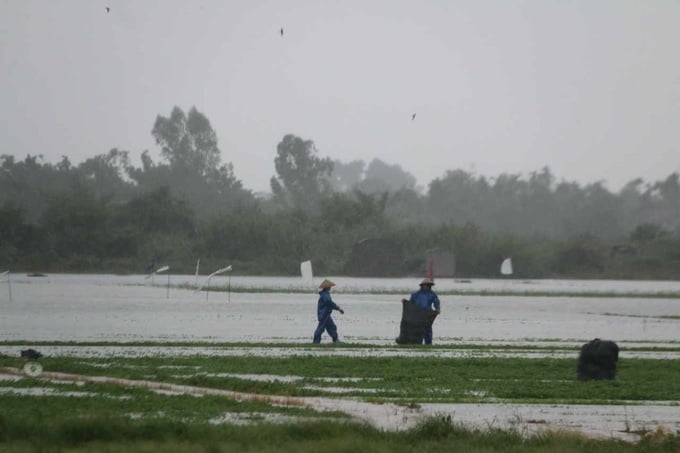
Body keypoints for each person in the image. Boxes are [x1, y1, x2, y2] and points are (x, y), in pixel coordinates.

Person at [408, 278, 441, 344]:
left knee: (428, 330)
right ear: (422, 286)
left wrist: (437, 309)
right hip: (417, 315)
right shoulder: (415, 294)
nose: (428, 287)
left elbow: (436, 302)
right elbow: (410, 304)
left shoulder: (432, 294)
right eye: (426, 285)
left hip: (428, 315)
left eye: (429, 285)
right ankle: (417, 343)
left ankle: (428, 343)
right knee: (418, 330)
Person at [313, 279, 345, 344]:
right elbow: (329, 303)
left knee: (332, 327)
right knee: (320, 328)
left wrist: (337, 308)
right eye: (329, 286)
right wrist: (338, 308)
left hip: (326, 314)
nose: (330, 287)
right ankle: (316, 342)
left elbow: (329, 303)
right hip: (324, 314)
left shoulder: (325, 294)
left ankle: (335, 340)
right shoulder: (325, 295)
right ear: (327, 287)